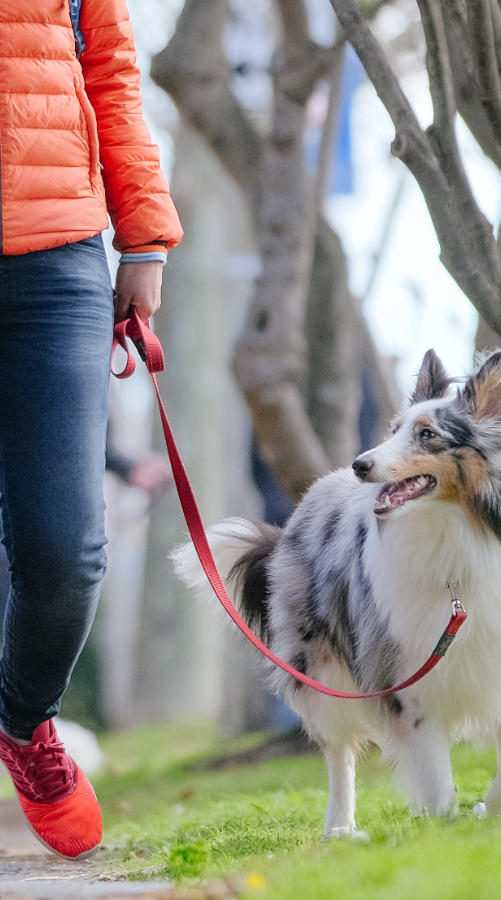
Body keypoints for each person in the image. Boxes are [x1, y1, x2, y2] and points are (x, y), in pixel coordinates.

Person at [0, 0, 183, 860]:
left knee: (66, 551)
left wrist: (143, 239)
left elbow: (109, 68)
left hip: (57, 255)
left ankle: (23, 721)